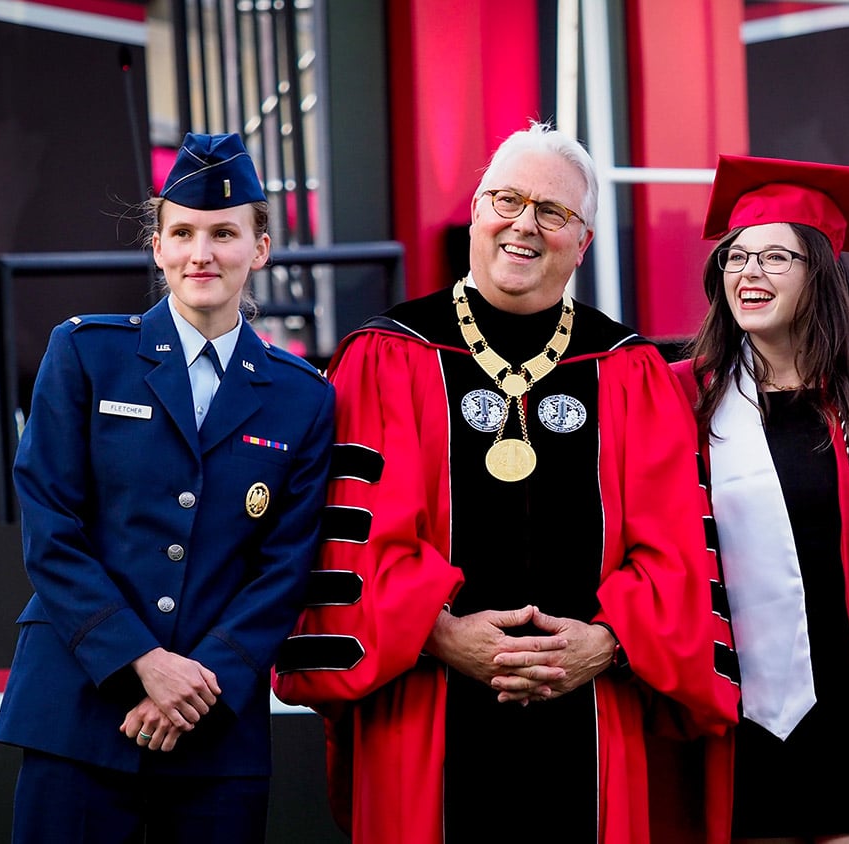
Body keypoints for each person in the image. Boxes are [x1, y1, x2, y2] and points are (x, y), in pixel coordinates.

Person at [272, 120, 739, 843]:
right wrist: (440, 632)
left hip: (591, 705)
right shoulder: (388, 354)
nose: (525, 225)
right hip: (426, 705)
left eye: (552, 213)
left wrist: (609, 640)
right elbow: (353, 545)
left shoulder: (628, 368)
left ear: (582, 242)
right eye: (507, 200)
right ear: (475, 213)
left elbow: (674, 548)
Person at [0, 132, 336, 842]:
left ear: (260, 249)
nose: (200, 252)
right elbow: (50, 525)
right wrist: (140, 663)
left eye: (223, 233)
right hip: (81, 710)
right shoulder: (87, 353)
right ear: (157, 247)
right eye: (181, 232)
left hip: (215, 732)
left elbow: (284, 567)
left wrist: (196, 684)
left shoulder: (302, 397)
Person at [670, 153, 849, 844]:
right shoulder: (685, 395)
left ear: (820, 274)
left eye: (775, 256)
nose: (748, 271)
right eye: (736, 257)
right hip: (750, 709)